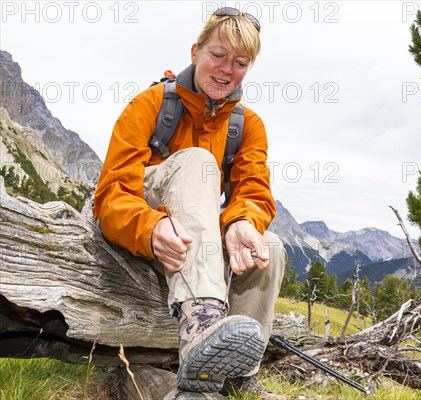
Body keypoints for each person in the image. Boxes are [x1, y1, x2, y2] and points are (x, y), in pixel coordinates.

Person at [93, 7, 285, 398]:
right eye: (217, 55)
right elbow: (111, 195)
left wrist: (241, 223)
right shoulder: (149, 105)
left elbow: (253, 190)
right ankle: (201, 322)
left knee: (272, 250)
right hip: (143, 224)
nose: (226, 69)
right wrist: (150, 227)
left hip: (191, 239)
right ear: (195, 51)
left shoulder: (248, 126)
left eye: (240, 62)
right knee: (199, 163)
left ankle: (225, 375)